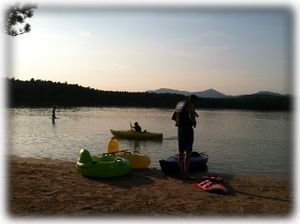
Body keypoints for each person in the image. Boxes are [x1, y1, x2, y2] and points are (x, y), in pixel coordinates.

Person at [172, 94, 198, 180]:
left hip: (180, 129)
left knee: (181, 151)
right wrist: (194, 122)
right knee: (189, 151)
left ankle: (181, 172)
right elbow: (191, 116)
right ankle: (186, 173)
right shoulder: (191, 104)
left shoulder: (180, 104)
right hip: (187, 129)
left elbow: (173, 117)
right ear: (194, 100)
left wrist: (181, 122)